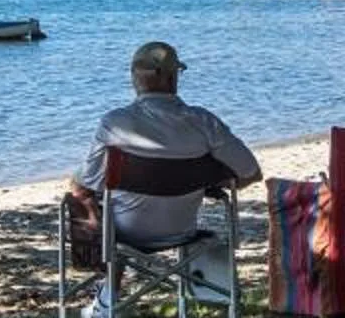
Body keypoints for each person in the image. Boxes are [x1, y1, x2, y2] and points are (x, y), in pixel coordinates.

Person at [67, 39, 262, 263]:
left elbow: (85, 186)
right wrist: (204, 183)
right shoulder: (204, 122)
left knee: (79, 189)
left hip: (125, 233)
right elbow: (251, 172)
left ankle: (109, 287)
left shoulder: (115, 123)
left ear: (134, 77)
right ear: (172, 77)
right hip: (183, 232)